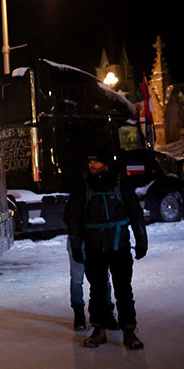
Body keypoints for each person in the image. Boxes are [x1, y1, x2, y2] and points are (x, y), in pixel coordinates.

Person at [65, 149, 148, 350]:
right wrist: (76, 245)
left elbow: (135, 211)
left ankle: (129, 330)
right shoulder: (83, 185)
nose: (92, 166)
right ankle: (99, 330)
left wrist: (141, 239)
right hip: (94, 248)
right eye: (90, 162)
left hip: (119, 246)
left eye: (96, 162)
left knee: (123, 289)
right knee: (98, 291)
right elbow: (73, 217)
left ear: (107, 164)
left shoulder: (121, 183)